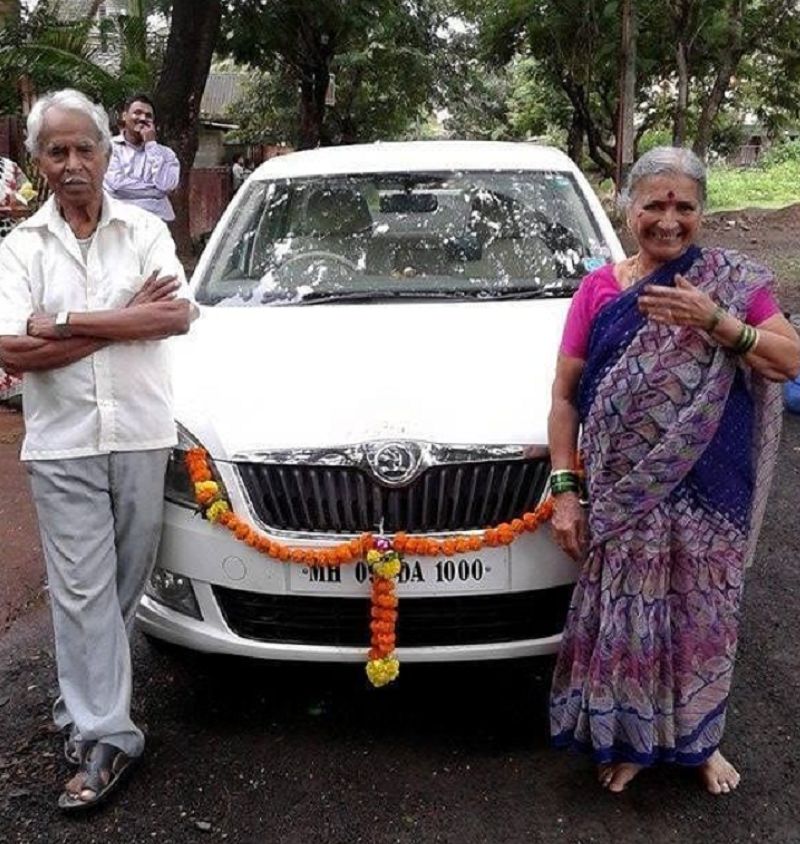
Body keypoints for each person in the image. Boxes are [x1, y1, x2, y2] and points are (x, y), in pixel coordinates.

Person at [547, 146, 800, 796]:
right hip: (624, 494)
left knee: (702, 620)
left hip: (714, 488)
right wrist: (566, 489)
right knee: (632, 622)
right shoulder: (600, 290)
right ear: (627, 207)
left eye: (683, 206)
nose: (668, 219)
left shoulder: (733, 282)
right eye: (653, 204)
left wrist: (719, 324)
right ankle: (635, 742)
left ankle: (699, 743)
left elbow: (788, 360)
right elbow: (564, 397)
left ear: (701, 212)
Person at [0, 89, 195, 811]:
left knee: (121, 585)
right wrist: (124, 320)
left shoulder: (144, 230)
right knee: (83, 592)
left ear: (109, 153)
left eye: (86, 148)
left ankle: (77, 704)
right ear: (38, 161)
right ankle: (106, 735)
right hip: (63, 445)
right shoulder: (21, 248)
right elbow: (12, 347)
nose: (74, 163)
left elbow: (174, 313)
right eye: (58, 151)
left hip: (142, 432)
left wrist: (69, 323)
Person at [103, 92, 179, 222]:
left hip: (159, 223)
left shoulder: (167, 154)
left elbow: (167, 186)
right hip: (120, 222)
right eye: (137, 112)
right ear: (124, 116)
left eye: (148, 115)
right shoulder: (109, 148)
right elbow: (117, 186)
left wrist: (151, 145)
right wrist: (156, 192)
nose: (143, 118)